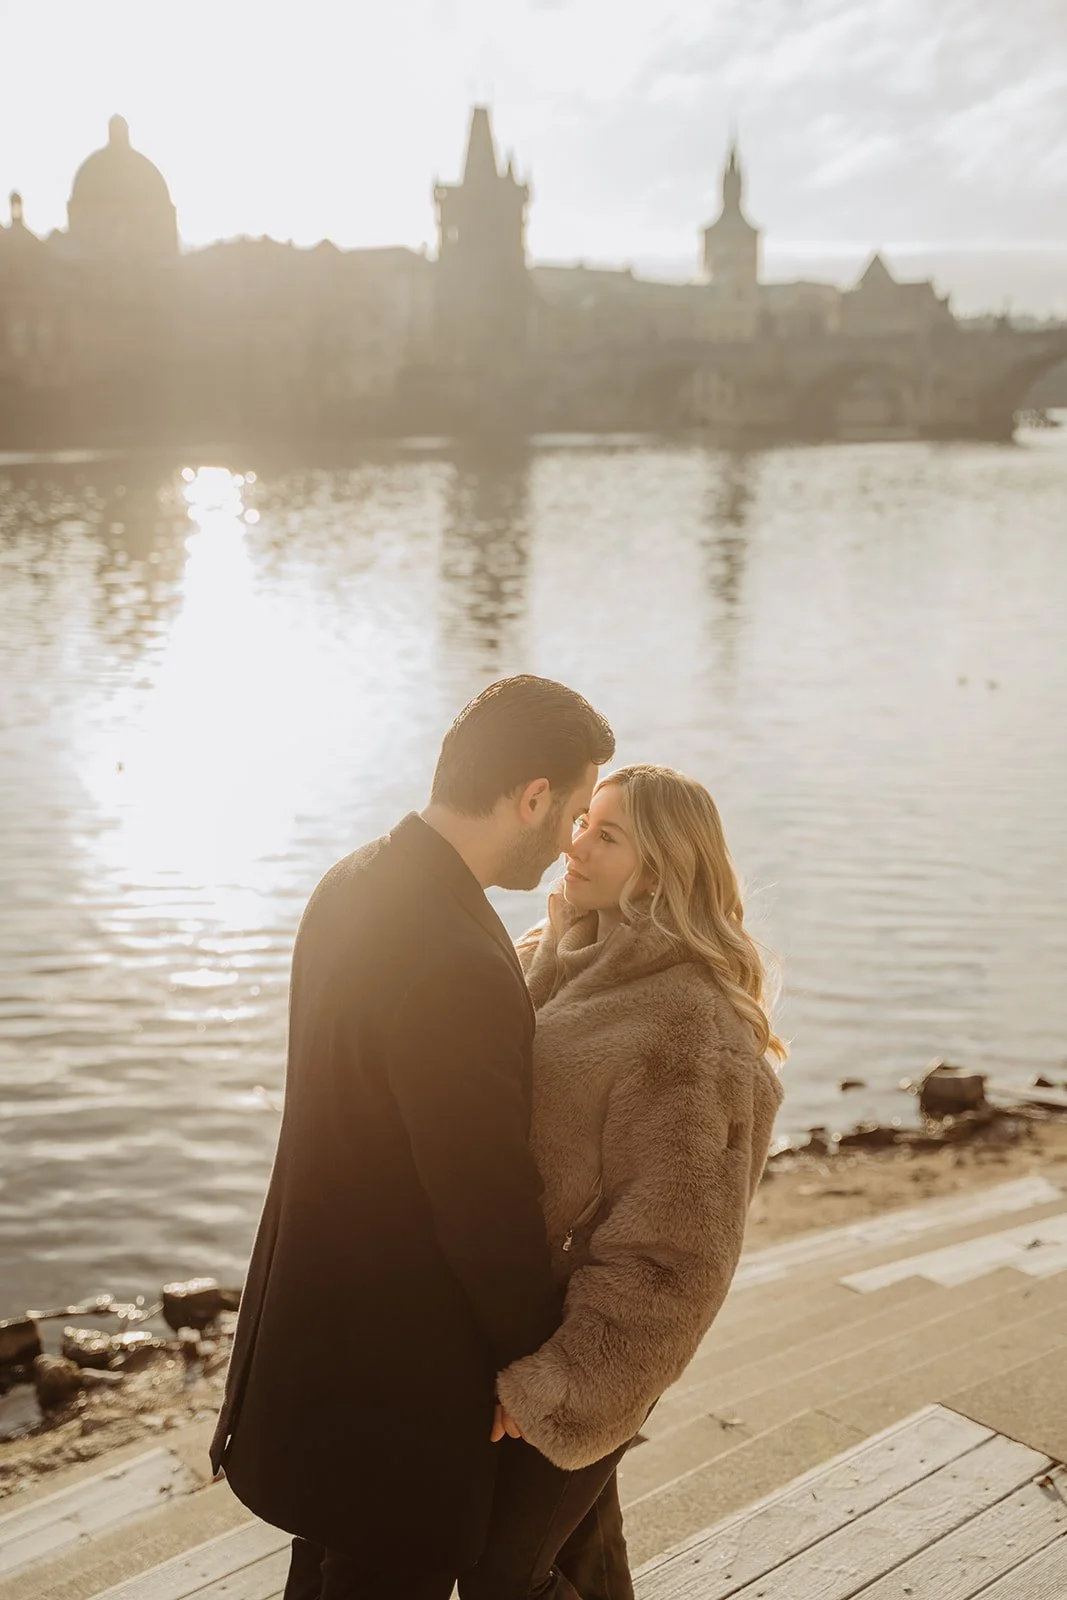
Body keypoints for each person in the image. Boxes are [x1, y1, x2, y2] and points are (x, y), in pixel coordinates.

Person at [210, 675, 615, 1600]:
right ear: (532, 797)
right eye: (574, 813)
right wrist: (542, 1358)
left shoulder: (349, 881)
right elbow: (481, 1199)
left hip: (306, 1348)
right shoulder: (458, 961)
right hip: (398, 1391)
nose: (568, 846)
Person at [462, 765, 786, 1600]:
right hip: (518, 1327)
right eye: (581, 822)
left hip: (586, 1352)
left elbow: (678, 1255)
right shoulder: (553, 948)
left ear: (664, 865)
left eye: (607, 835)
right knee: (584, 1558)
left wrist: (561, 1384)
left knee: (501, 1578)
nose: (575, 842)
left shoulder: (689, 1025)